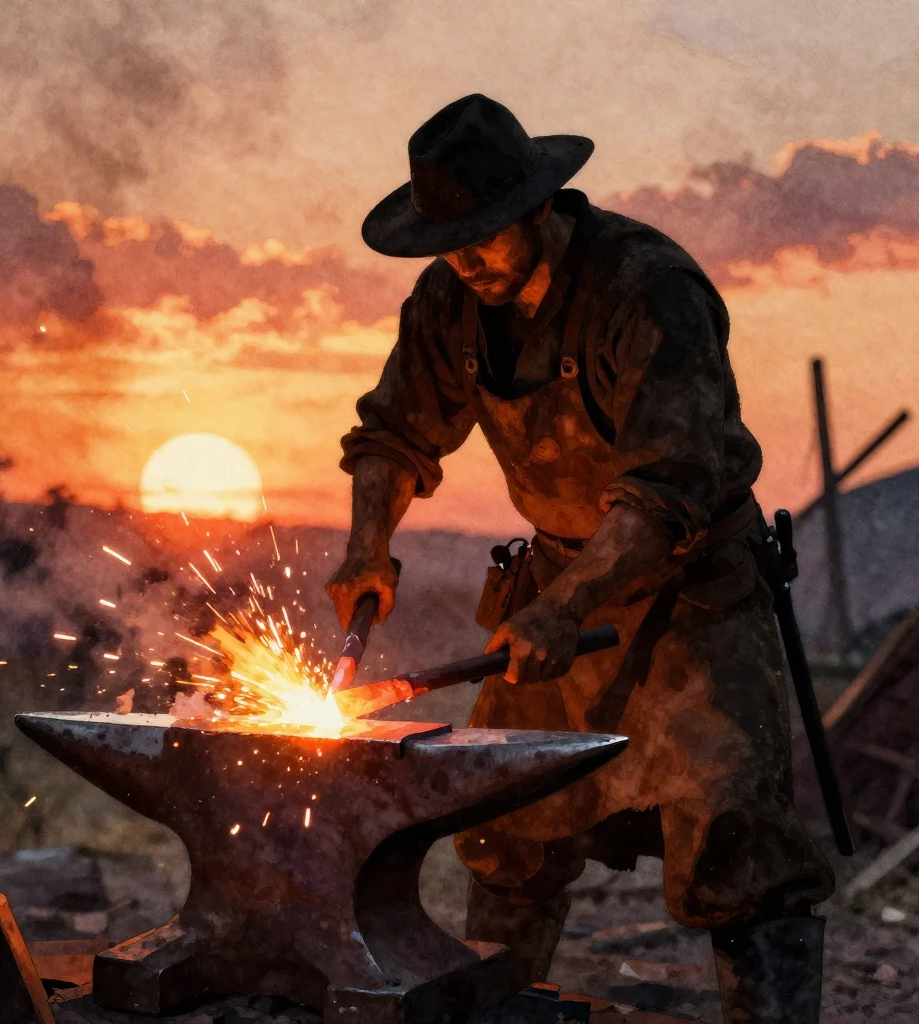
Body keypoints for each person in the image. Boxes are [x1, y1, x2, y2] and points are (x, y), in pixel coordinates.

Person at [326, 94, 834, 1023]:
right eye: (450, 242)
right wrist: (369, 550)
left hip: (693, 594)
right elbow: (394, 436)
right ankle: (498, 1008)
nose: (467, 261)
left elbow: (667, 488)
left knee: (739, 837)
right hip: (555, 590)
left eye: (483, 237)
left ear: (537, 206)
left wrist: (571, 605)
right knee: (505, 822)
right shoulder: (449, 300)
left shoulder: (648, 291)